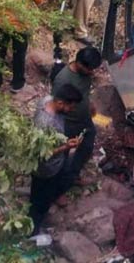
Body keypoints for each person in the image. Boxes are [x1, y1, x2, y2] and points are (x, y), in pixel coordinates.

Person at [29, 84, 84, 235]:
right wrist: (65, 147)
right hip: (45, 170)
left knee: (43, 195)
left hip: (55, 164)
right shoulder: (46, 123)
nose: (71, 110)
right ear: (60, 103)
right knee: (39, 203)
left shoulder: (47, 100)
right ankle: (32, 231)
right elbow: (41, 153)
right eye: (70, 107)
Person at [52, 46, 102, 183]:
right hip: (68, 123)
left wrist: (89, 105)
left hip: (85, 120)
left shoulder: (86, 74)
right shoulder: (63, 80)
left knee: (87, 146)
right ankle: (58, 185)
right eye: (90, 69)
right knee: (62, 155)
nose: (92, 72)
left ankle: (72, 175)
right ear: (79, 63)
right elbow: (56, 105)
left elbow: (84, 92)